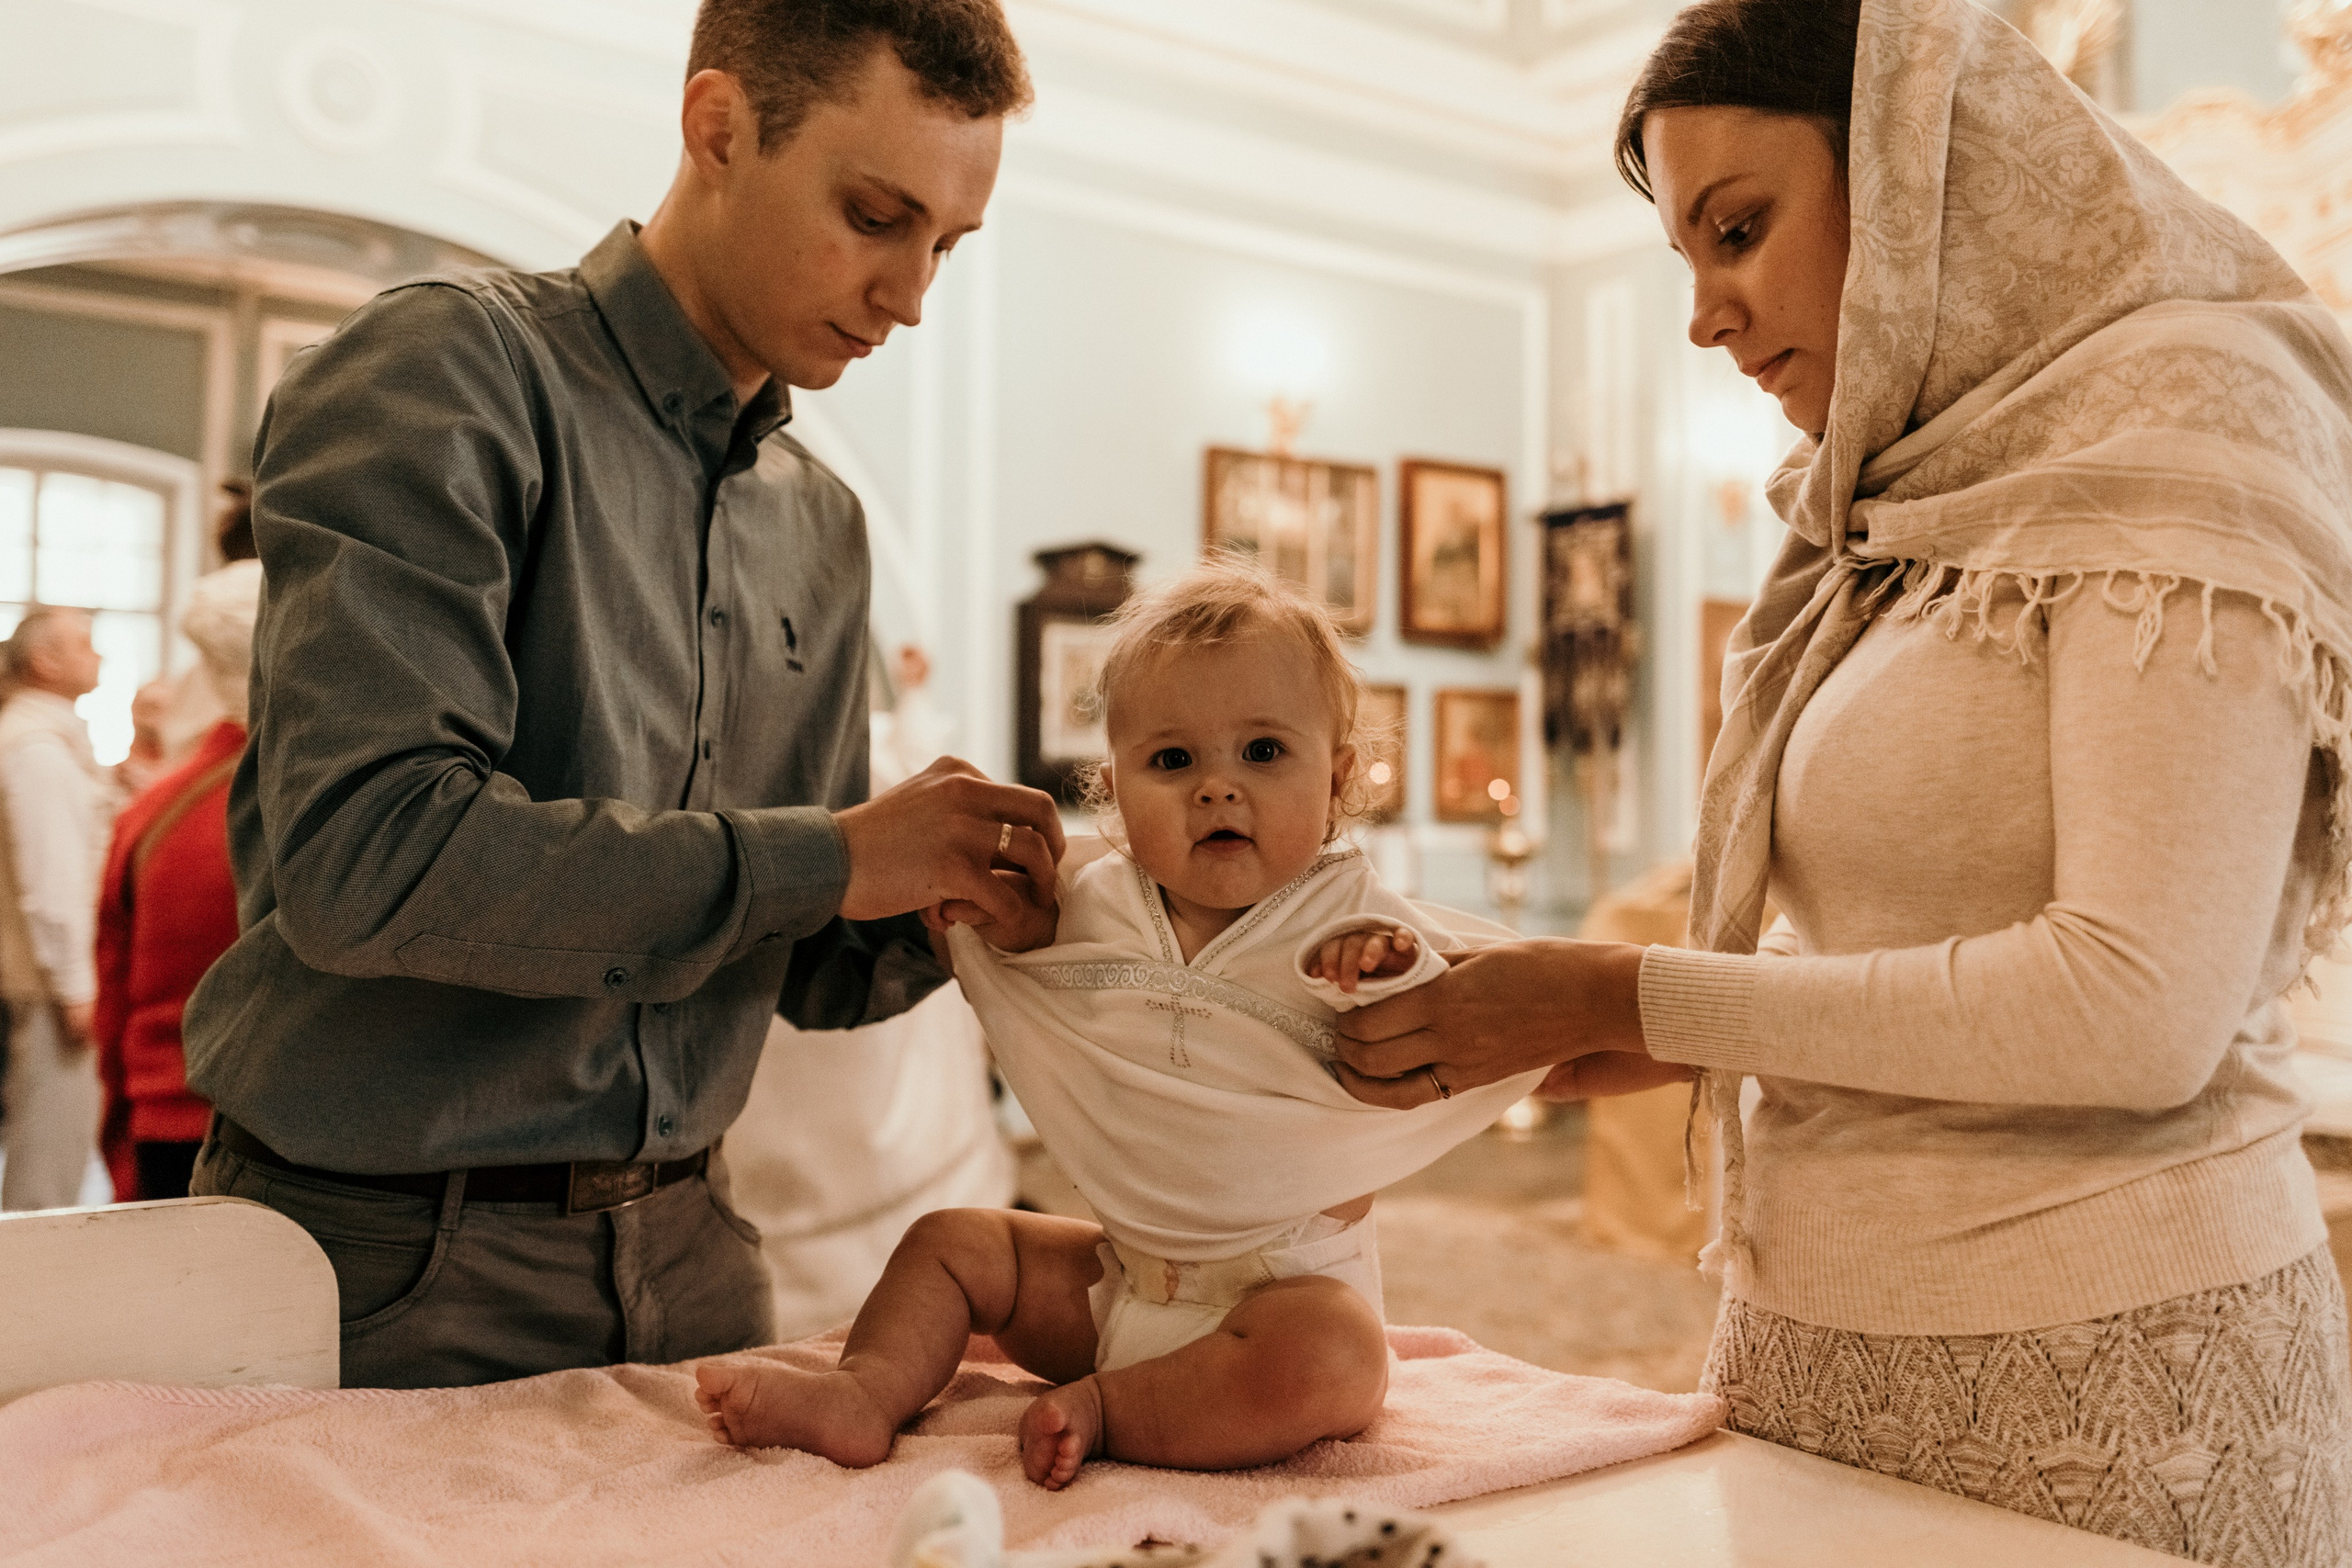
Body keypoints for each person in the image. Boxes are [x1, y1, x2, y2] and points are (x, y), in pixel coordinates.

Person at [1330, 1, 2352, 1562]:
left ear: (1917, 169)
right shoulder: (1897, 502)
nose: (1708, 315)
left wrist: (1636, 996)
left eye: (1738, 230)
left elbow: (2137, 1009)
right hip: (1814, 1344)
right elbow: (1903, 917)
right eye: (1684, 257)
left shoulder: (2191, 416)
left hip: (2120, 1375)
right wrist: (1656, 1027)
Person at [181, 0, 1064, 1391]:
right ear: (718, 127)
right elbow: (368, 856)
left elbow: (811, 968)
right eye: (875, 214)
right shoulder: (448, 372)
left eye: (945, 245)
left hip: (700, 1245)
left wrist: (992, 899)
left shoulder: (821, 524)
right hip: (388, 1258)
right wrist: (833, 851)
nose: (910, 295)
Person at [695, 560, 1546, 1486]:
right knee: (954, 1241)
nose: (1217, 788)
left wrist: (1385, 969)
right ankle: (864, 1392)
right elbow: (1039, 967)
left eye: (1263, 752)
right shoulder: (1096, 899)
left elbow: (1447, 1005)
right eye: (1172, 761)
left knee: (1341, 1358)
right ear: (1114, 788)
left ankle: (1112, 1410)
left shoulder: (1352, 918)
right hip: (1117, 1281)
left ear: (1336, 778)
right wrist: (1007, 934)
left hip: (1279, 1297)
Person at [94, 561, 264, 1202]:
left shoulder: (154, 808)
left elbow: (116, 988)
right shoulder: (299, 810)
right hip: (263, 1139)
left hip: (159, 1115)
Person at [0, 607, 108, 1212]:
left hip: (52, 976)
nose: (99, 657)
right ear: (46, 661)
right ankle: (26, 1298)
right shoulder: (35, 746)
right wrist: (76, 985)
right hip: (49, 981)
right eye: (85, 644)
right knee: (48, 1157)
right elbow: (54, 878)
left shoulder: (41, 736)